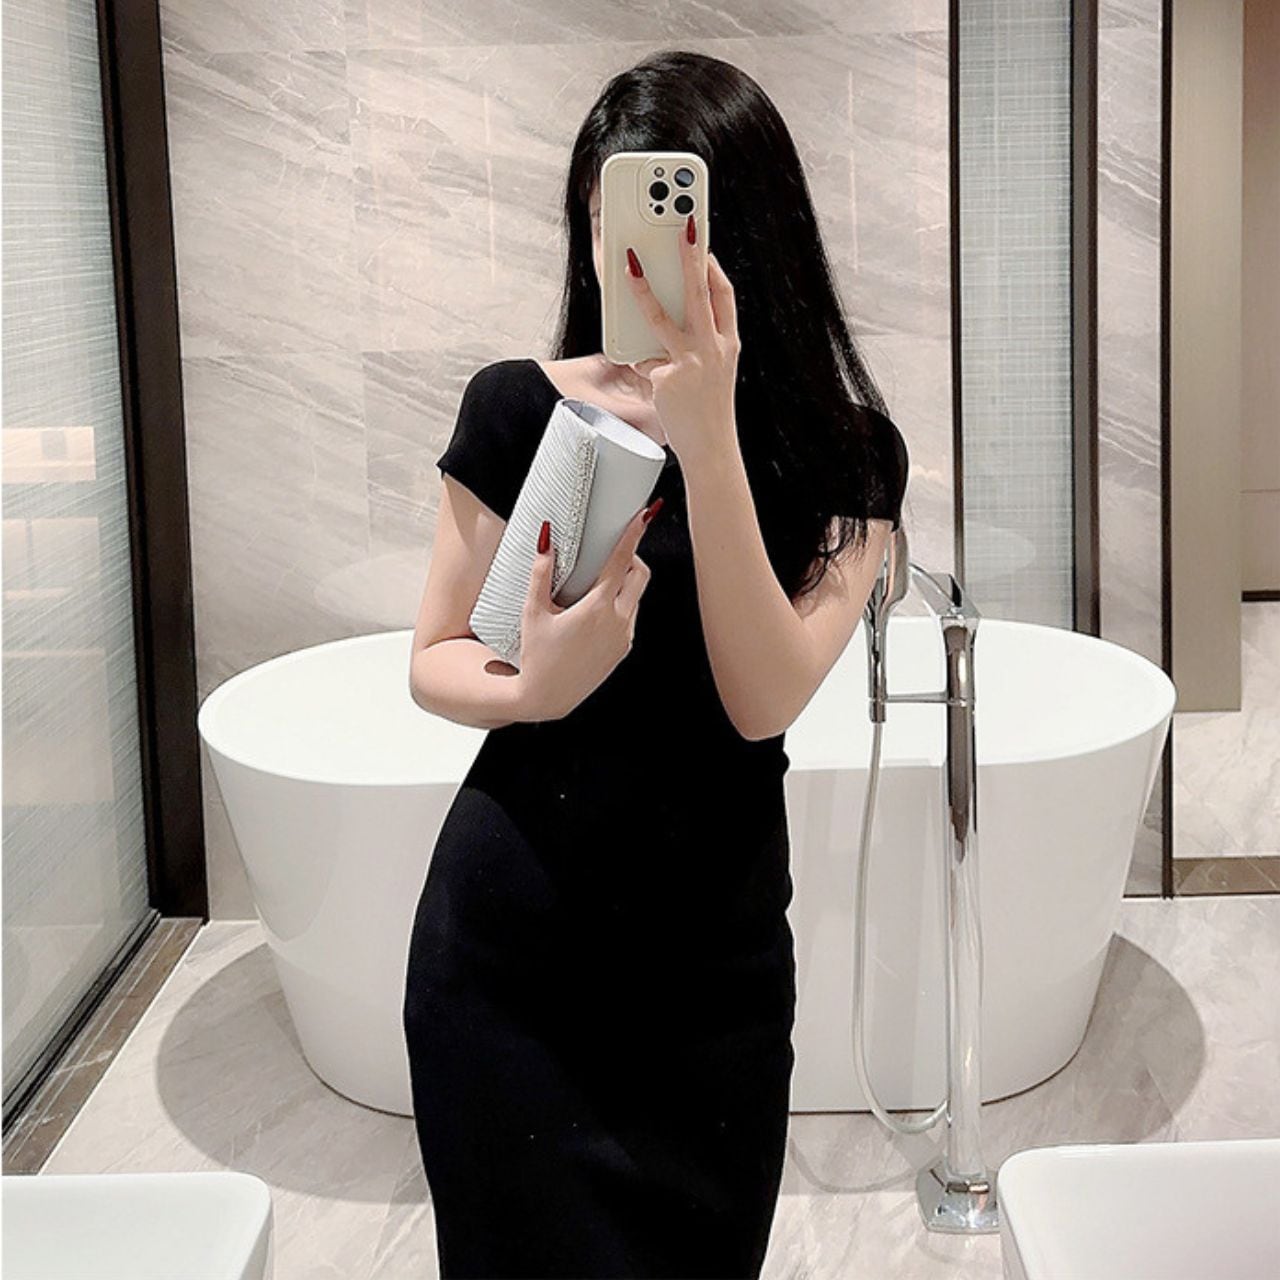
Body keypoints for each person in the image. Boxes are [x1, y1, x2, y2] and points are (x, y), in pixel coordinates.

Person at [402, 49, 909, 1280]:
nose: (618, 261)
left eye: (658, 231)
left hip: (711, 985)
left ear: (746, 242)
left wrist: (705, 431)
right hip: (508, 968)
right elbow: (433, 658)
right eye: (601, 223)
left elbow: (761, 696)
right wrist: (534, 687)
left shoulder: (848, 457)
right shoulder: (516, 407)